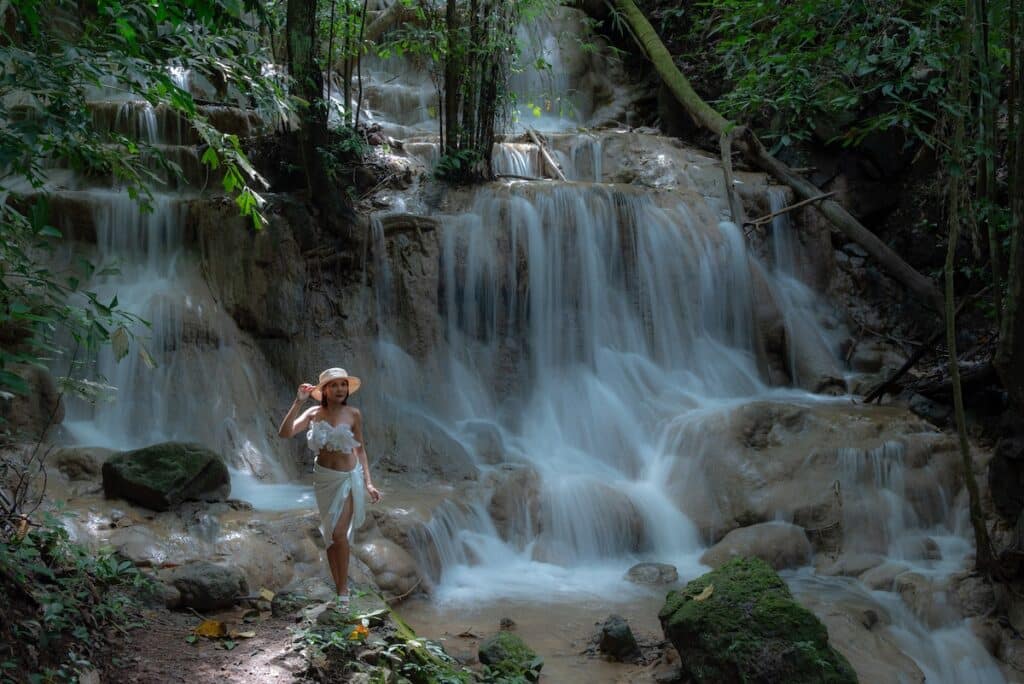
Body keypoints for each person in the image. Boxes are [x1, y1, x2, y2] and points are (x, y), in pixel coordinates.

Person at [277, 367, 382, 608]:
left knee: (338, 534)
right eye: (334, 385)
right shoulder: (313, 413)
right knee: (330, 538)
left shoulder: (354, 414)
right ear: (324, 390)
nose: (340, 389)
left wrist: (368, 482)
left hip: (348, 478)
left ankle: (344, 593)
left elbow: (360, 449)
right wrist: (298, 402)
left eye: (343, 385)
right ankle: (339, 589)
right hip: (324, 479)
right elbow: (285, 433)